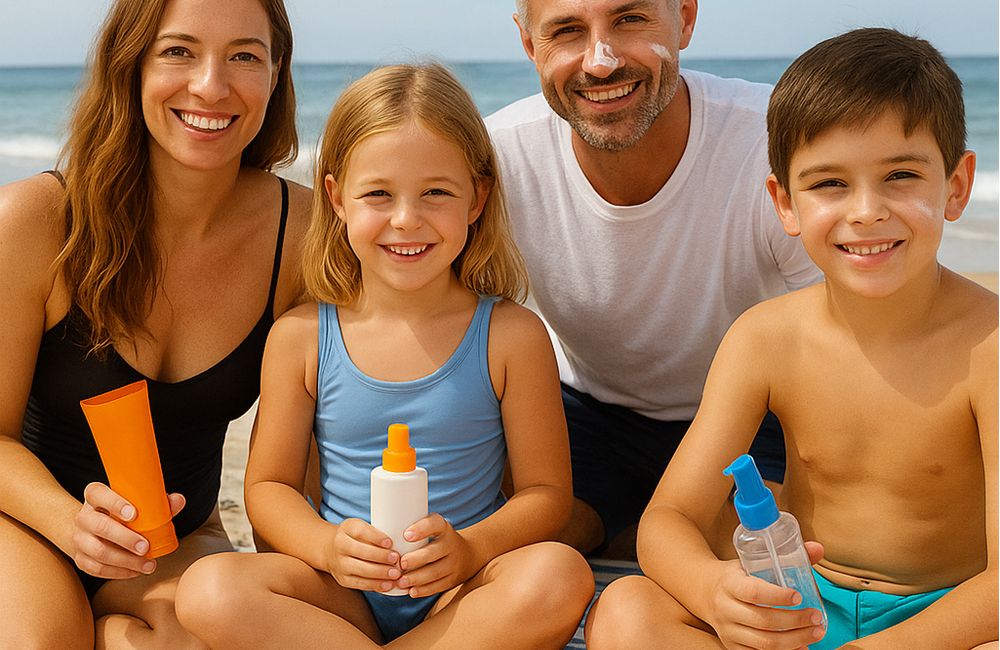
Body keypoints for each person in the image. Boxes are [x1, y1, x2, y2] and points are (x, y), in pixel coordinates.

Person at [586, 27, 998, 649]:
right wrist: (714, 593)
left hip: (943, 621)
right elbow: (668, 519)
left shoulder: (989, 347)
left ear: (957, 186)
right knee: (626, 610)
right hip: (802, 606)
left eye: (901, 175)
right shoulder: (766, 338)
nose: (866, 210)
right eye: (829, 183)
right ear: (785, 203)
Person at [173, 62, 595, 648]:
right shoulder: (301, 337)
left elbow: (546, 495)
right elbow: (268, 488)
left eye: (436, 193)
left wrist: (471, 548)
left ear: (477, 198)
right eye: (378, 194)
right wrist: (327, 547)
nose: (405, 219)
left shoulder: (510, 336)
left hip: (462, 592)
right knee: (207, 589)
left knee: (557, 573)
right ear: (336, 198)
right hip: (342, 595)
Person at [0, 0, 310, 646]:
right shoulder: (35, 221)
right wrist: (71, 525)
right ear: (131, 64)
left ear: (276, 73)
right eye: (178, 51)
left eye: (244, 56)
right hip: (25, 521)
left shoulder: (302, 234)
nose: (211, 86)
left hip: (175, 540)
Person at [486, 0, 822, 556]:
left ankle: (636, 530)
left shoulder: (774, 142)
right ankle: (625, 526)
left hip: (754, 414)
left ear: (684, 18)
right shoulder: (498, 158)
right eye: (567, 31)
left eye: (630, 19)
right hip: (588, 410)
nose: (600, 61)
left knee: (761, 555)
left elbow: (849, 340)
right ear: (529, 46)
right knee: (525, 552)